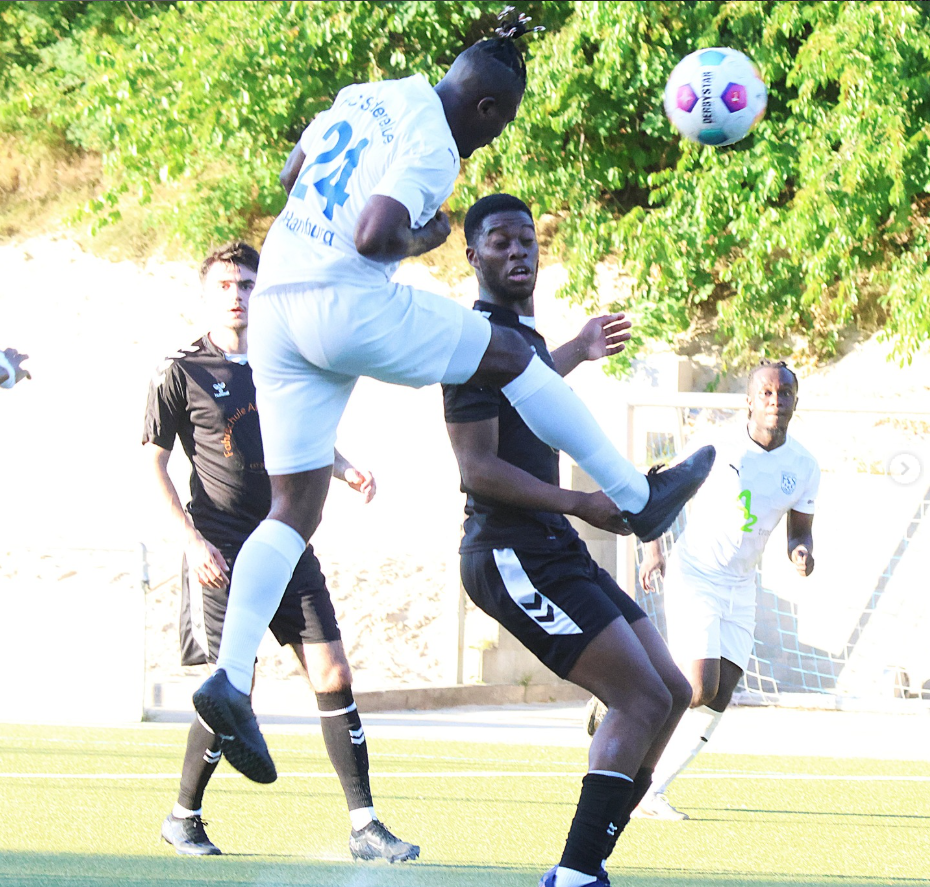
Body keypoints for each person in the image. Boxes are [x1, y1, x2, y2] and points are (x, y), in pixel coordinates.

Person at [193, 9, 715, 786]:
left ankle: (229, 679)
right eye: (497, 127)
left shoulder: (365, 90)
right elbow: (375, 235)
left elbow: (291, 175)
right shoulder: (438, 144)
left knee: (292, 509)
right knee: (507, 352)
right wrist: (427, 234)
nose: (489, 141)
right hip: (344, 295)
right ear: (487, 112)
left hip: (277, 304)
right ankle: (638, 495)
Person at [443, 194, 696, 887]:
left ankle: (588, 864)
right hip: (509, 552)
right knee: (639, 699)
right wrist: (582, 501)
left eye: (527, 239)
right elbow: (477, 467)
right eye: (500, 241)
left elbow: (527, 400)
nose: (519, 251)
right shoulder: (471, 343)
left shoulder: (520, 341)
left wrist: (576, 351)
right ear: (472, 256)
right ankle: (578, 873)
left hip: (551, 544)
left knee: (673, 691)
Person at [143, 242, 418, 862]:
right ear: (207, 293)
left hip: (288, 540)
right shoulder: (179, 371)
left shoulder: (279, 358)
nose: (235, 295)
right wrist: (191, 542)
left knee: (334, 674)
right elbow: (153, 468)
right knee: (232, 687)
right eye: (223, 285)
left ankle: (365, 827)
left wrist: (344, 466)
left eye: (245, 284)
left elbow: (299, 432)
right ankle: (184, 816)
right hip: (222, 552)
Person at [588, 359, 819, 821]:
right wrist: (652, 549)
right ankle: (623, 694)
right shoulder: (717, 446)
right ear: (749, 401)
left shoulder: (804, 466)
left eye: (785, 394)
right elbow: (656, 491)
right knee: (696, 686)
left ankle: (652, 793)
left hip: (741, 587)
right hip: (696, 575)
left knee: (720, 695)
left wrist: (801, 553)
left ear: (796, 401)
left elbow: (800, 531)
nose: (776, 402)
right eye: (767, 394)